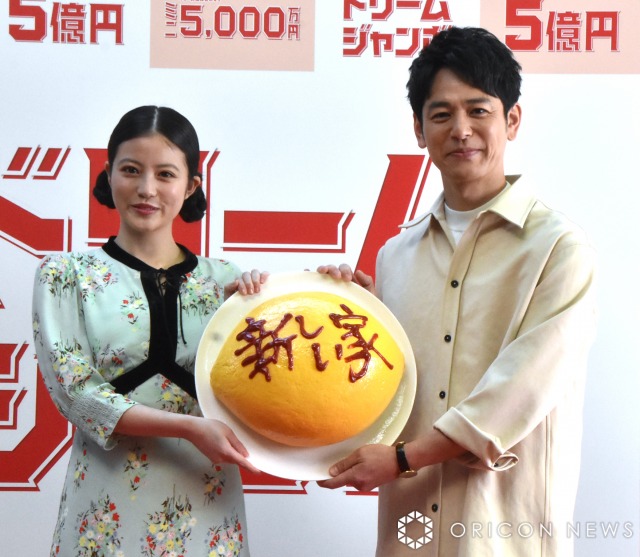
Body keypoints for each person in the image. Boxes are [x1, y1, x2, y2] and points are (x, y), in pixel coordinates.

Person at [318, 27, 597, 556]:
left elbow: (520, 389)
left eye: (478, 110)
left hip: (504, 534)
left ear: (512, 120)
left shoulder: (559, 248)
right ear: (419, 130)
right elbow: (390, 387)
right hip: (410, 535)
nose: (461, 130)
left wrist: (403, 459)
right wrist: (354, 316)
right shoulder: (395, 256)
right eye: (442, 114)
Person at [32, 106, 266, 556]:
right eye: (131, 170)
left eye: (165, 174)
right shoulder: (65, 275)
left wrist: (320, 293)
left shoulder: (225, 280)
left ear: (191, 185)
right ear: (108, 173)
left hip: (205, 497)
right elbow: (77, 394)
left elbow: (266, 385)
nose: (146, 189)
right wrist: (189, 428)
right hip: (105, 505)